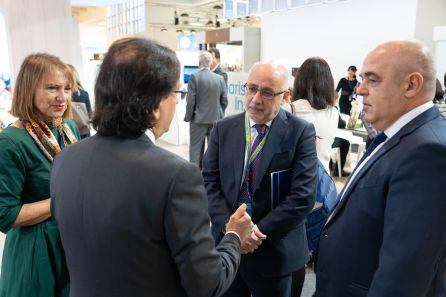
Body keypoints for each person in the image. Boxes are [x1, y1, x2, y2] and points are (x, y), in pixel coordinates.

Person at [50, 37, 254, 297]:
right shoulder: (175, 176)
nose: (178, 101)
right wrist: (234, 237)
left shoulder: (65, 159)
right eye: (176, 93)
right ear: (155, 105)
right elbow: (207, 284)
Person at [316, 40, 446, 297]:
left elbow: (404, 274)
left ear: (411, 85)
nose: (360, 90)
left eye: (373, 80)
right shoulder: (398, 136)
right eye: (362, 79)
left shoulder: (427, 152)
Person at [203, 61, 318, 297]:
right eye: (251, 88)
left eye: (266, 92)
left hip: (275, 251)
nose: (255, 99)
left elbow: (302, 197)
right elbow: (209, 183)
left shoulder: (300, 132)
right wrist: (232, 230)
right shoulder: (223, 129)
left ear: (285, 96)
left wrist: (254, 232)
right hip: (227, 249)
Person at [0, 53, 80, 296]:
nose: (62, 97)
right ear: (28, 89)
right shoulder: (11, 142)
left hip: (71, 243)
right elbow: (5, 215)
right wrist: (61, 201)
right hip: (37, 250)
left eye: (67, 88)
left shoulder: (68, 128)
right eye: (52, 88)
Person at [285, 57, 338, 173]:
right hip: (324, 180)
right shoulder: (334, 112)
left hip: (296, 179)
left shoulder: (288, 110)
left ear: (300, 81)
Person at [184, 51, 228, 168]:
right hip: (215, 119)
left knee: (195, 149)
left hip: (198, 120)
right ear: (210, 63)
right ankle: (211, 175)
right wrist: (219, 112)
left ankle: (194, 177)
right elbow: (224, 100)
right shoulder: (220, 79)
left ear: (199, 63)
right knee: (214, 149)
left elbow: (190, 101)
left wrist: (189, 116)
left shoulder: (194, 77)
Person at [67, 64, 92, 138]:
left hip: (68, 131)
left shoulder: (64, 93)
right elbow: (89, 113)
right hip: (83, 131)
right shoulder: (84, 93)